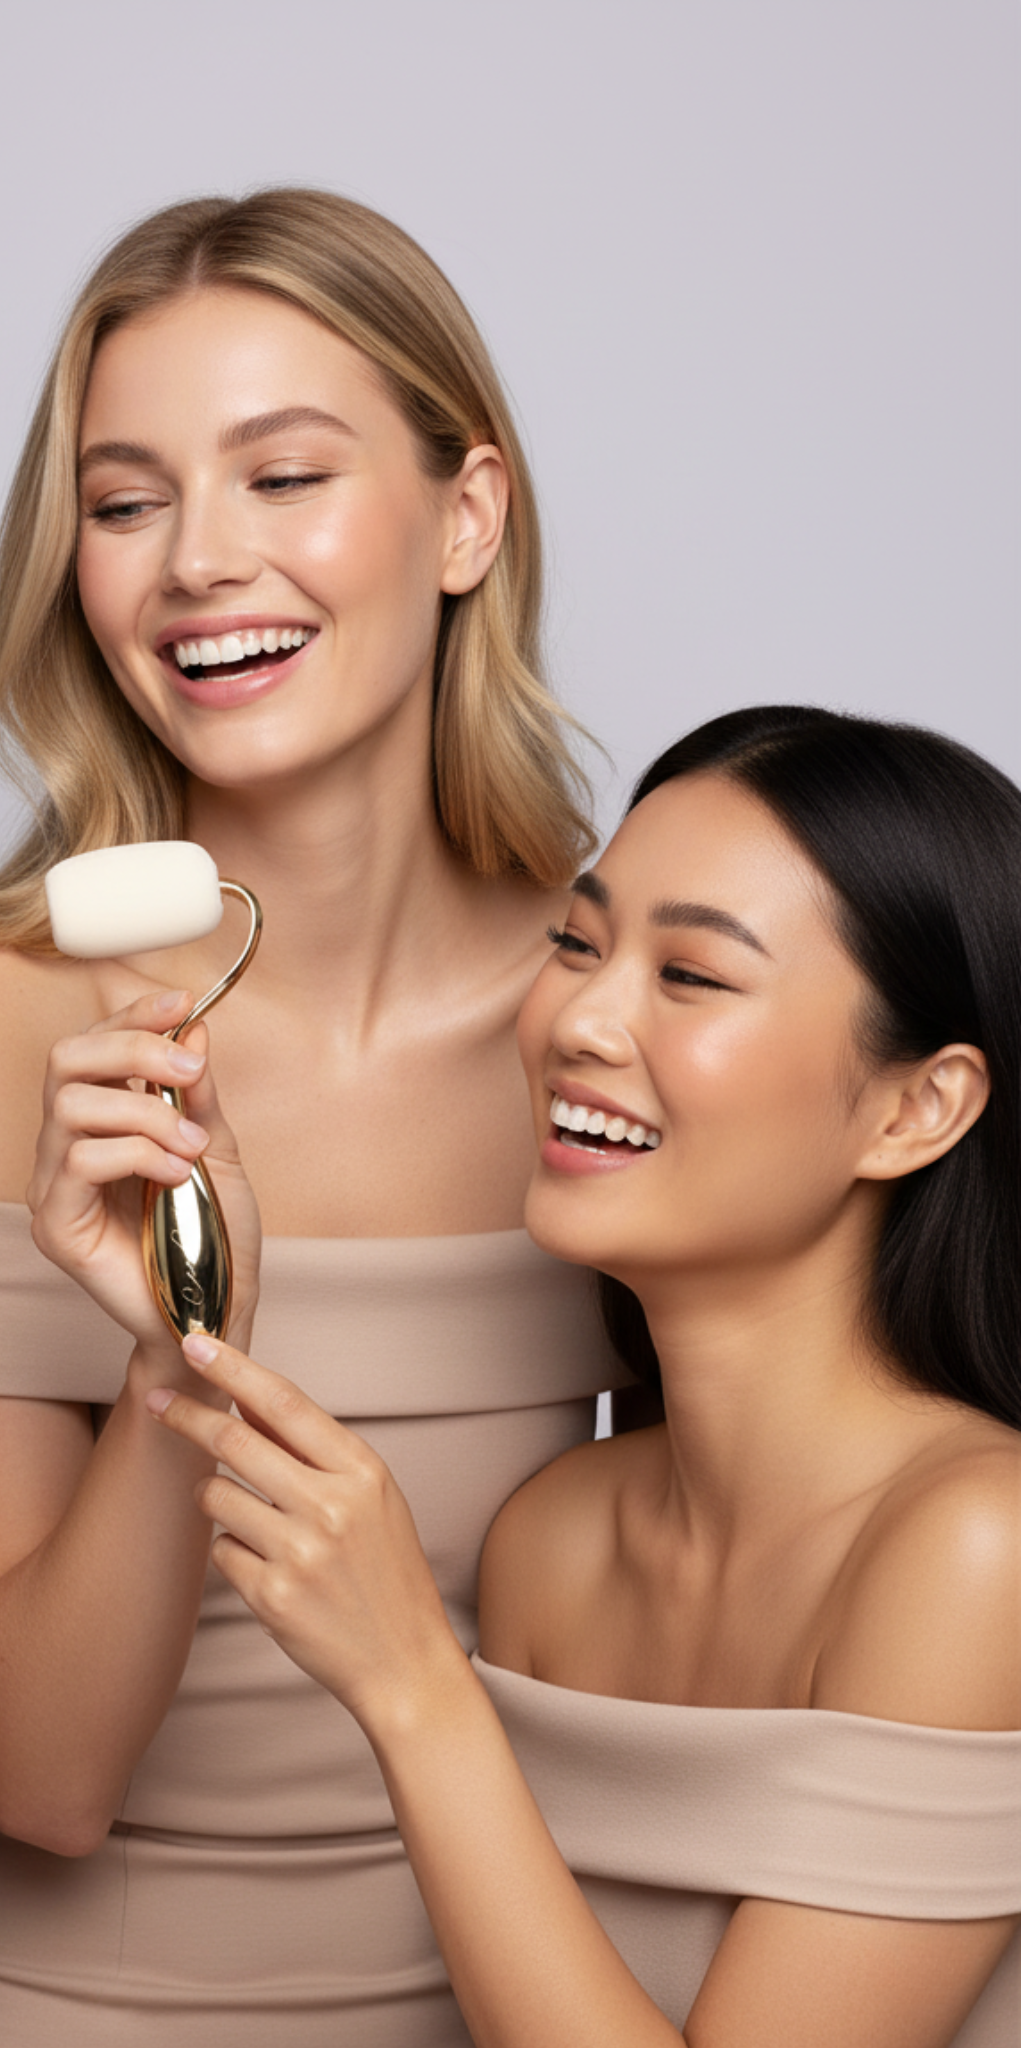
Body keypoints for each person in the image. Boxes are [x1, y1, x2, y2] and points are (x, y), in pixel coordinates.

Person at [0, 188, 631, 2044]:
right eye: (125, 504)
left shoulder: (620, 1018)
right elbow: (39, 1781)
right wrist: (176, 1368)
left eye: (282, 477)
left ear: (468, 515)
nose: (199, 559)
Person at [149, 706, 1021, 2048]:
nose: (582, 1021)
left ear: (917, 1109)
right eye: (577, 942)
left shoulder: (980, 1548)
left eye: (693, 978)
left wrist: (415, 1686)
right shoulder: (555, 1538)